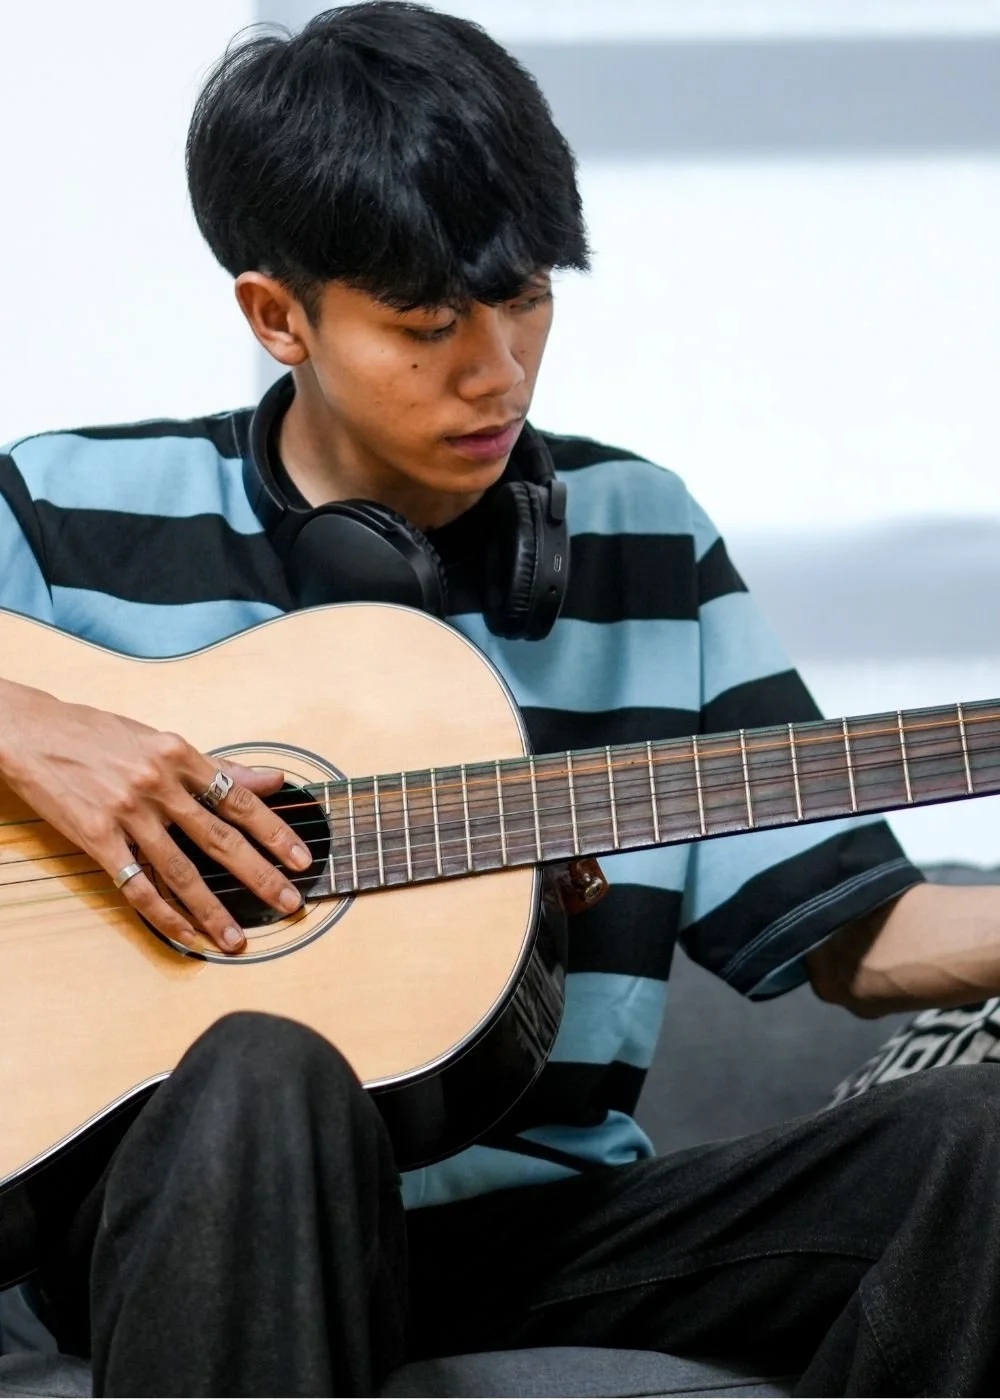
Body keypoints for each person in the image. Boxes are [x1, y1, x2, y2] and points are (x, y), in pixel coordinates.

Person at [1, 4, 1000, 1395]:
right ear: (278, 315)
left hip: (546, 1231)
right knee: (265, 1068)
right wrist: (32, 728)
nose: (498, 372)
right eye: (426, 326)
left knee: (976, 1137)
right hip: (201, 1222)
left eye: (526, 298)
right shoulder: (65, 510)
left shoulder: (643, 531)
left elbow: (855, 935)